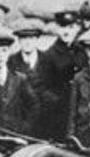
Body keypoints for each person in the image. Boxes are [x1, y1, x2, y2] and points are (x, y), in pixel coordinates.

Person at [34, 10, 85, 140]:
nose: (66, 32)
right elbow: (40, 86)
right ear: (57, 29)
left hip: (82, 110)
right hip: (60, 113)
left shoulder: (83, 51)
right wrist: (57, 101)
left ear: (78, 28)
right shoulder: (49, 55)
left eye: (71, 27)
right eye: (63, 27)